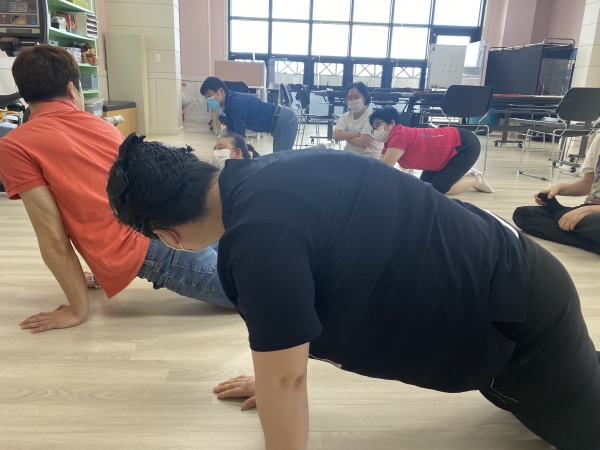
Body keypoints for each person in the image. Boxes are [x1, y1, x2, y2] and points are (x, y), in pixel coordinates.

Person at [108, 143, 599, 450]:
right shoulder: (270, 170)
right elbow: (306, 301)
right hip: (518, 276)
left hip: (521, 327)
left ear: (168, 237)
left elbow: (287, 380)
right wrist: (274, 373)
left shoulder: (256, 242)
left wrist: (279, 381)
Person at [0, 45, 233, 334]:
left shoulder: (15, 145)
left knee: (263, 291)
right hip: (178, 219)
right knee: (253, 256)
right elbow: (105, 197)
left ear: (24, 95)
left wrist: (77, 310)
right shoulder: (102, 126)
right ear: (72, 90)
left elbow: (53, 238)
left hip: (153, 245)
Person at [369, 107, 494, 195]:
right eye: (373, 128)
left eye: (377, 125)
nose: (376, 130)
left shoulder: (398, 136)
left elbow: (385, 168)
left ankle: (476, 180)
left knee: (439, 189)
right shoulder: (390, 140)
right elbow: (381, 165)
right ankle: (458, 176)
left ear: (391, 122)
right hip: (445, 151)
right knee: (426, 187)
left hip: (465, 145)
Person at [513, 133, 600, 255]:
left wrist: (587, 211)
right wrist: (558, 188)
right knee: (523, 214)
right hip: (589, 212)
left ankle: (560, 214)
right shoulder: (598, 139)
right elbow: (587, 183)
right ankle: (591, 243)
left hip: (593, 213)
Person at [200, 77, 298, 153]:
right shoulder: (227, 105)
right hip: (279, 121)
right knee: (279, 158)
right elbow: (231, 132)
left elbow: (239, 134)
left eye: (210, 96)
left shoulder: (236, 102)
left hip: (284, 120)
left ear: (221, 91)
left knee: (281, 160)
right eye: (207, 98)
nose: (209, 100)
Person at [333, 82, 383, 159]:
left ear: (364, 98)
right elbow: (336, 135)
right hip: (349, 157)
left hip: (369, 159)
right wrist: (357, 134)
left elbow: (362, 143)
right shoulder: (345, 116)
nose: (352, 100)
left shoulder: (373, 117)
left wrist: (345, 135)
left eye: (356, 97)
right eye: (350, 98)